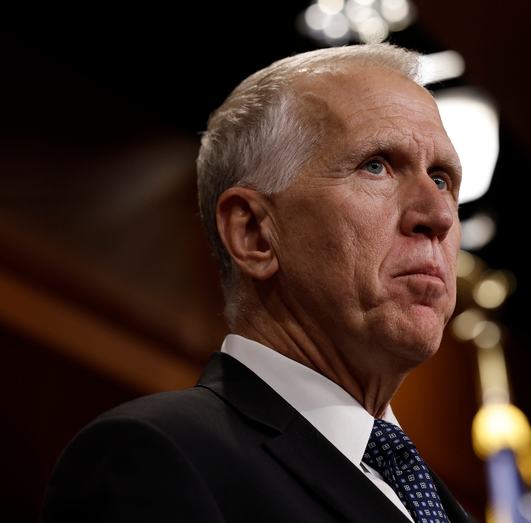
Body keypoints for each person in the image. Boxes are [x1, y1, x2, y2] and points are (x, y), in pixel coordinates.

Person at [41, 43, 473, 523]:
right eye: (376, 165)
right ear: (254, 234)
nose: (437, 215)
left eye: (441, 179)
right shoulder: (157, 457)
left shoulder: (444, 508)